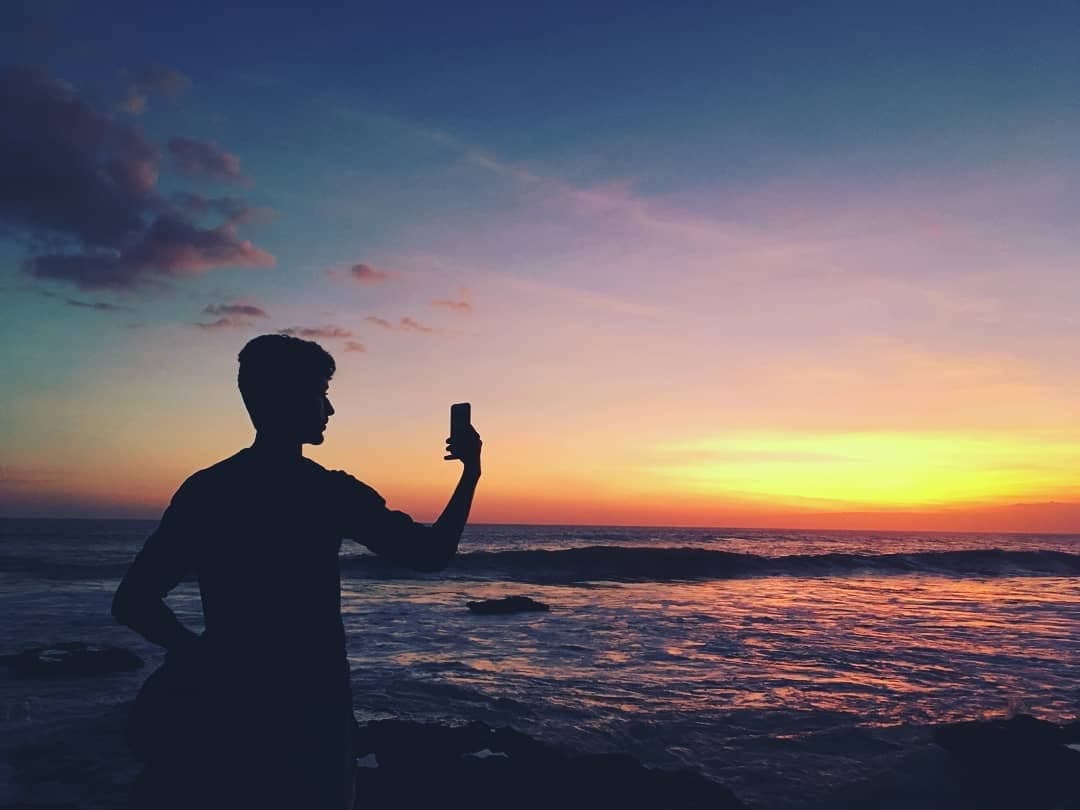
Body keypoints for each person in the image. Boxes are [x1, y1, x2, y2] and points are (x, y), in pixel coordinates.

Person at [111, 333, 482, 809]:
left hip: (225, 713)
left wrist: (200, 653)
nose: (329, 409)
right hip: (310, 716)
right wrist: (470, 472)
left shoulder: (207, 490)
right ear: (288, 398)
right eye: (320, 393)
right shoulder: (325, 492)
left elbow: (134, 600)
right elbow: (430, 554)